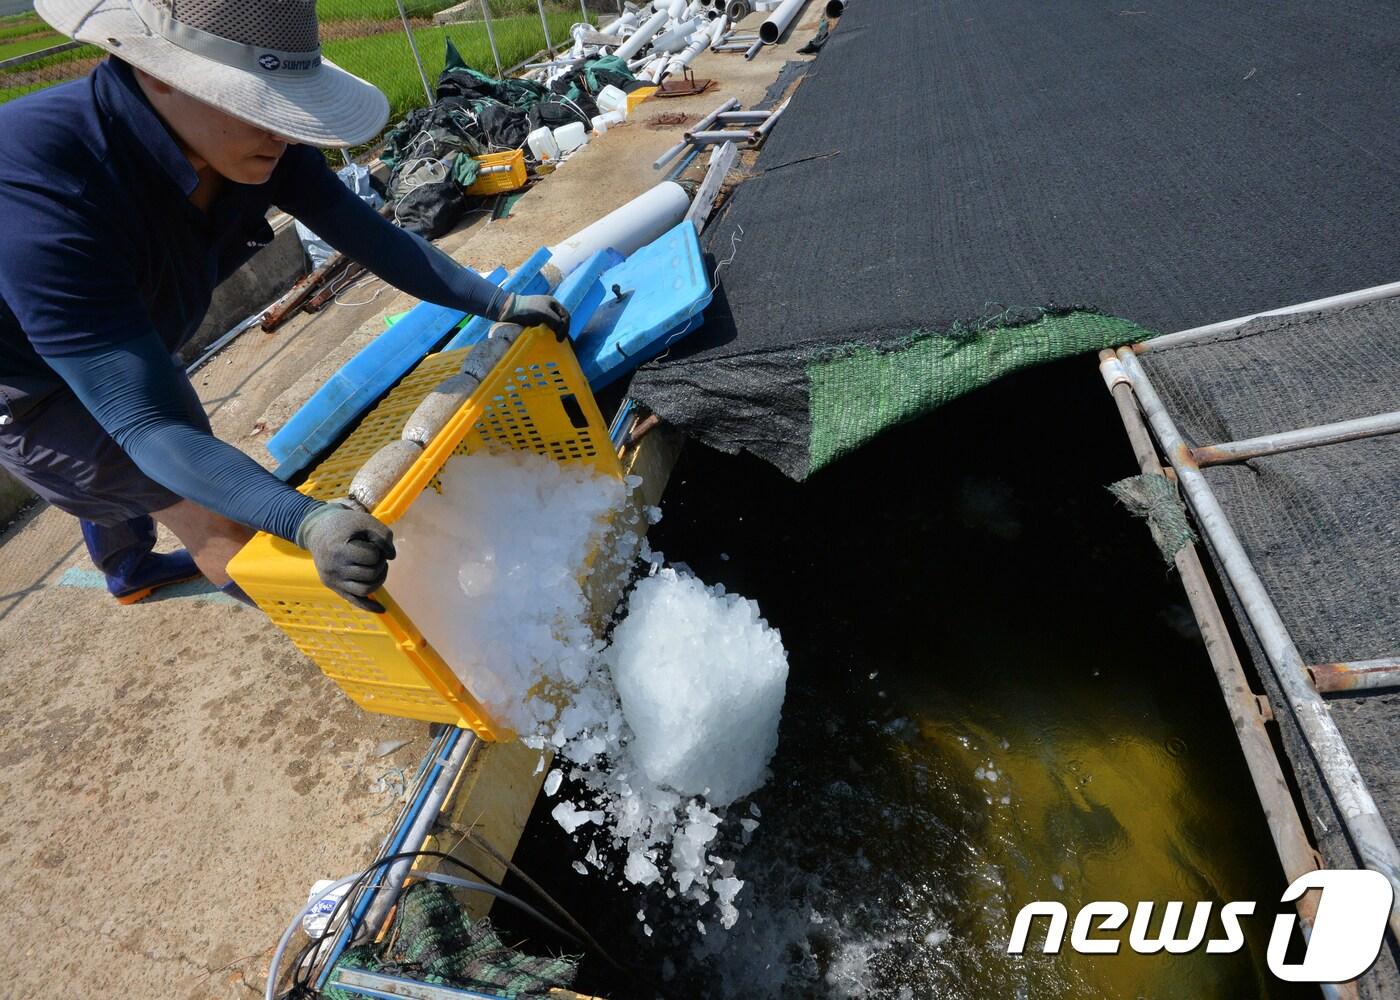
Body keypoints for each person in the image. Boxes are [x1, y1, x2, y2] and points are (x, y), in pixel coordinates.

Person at [0, 0, 569, 611]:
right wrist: (303, 521)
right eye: (255, 100)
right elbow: (143, 422)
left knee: (151, 457)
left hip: (130, 332)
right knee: (213, 513)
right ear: (157, 68)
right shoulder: (37, 186)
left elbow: (369, 234)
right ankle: (372, 635)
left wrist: (498, 301)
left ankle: (128, 567)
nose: (286, 130)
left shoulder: (247, 138)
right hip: (33, 388)